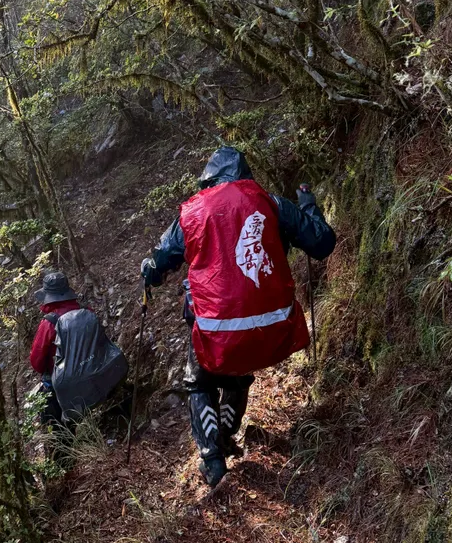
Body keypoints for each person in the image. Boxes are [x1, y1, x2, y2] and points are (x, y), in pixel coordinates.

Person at [141, 146, 336, 487]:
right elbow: (322, 243)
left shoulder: (192, 211)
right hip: (274, 327)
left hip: (216, 328)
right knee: (238, 367)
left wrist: (149, 270)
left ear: (209, 179)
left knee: (199, 381)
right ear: (244, 175)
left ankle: (212, 461)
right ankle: (227, 429)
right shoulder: (271, 203)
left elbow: (159, 265)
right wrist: (308, 206)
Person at [29, 270, 82, 429]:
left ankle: (62, 447)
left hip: (60, 382)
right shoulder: (85, 312)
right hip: (87, 373)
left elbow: (36, 362)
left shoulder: (50, 322)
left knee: (53, 421)